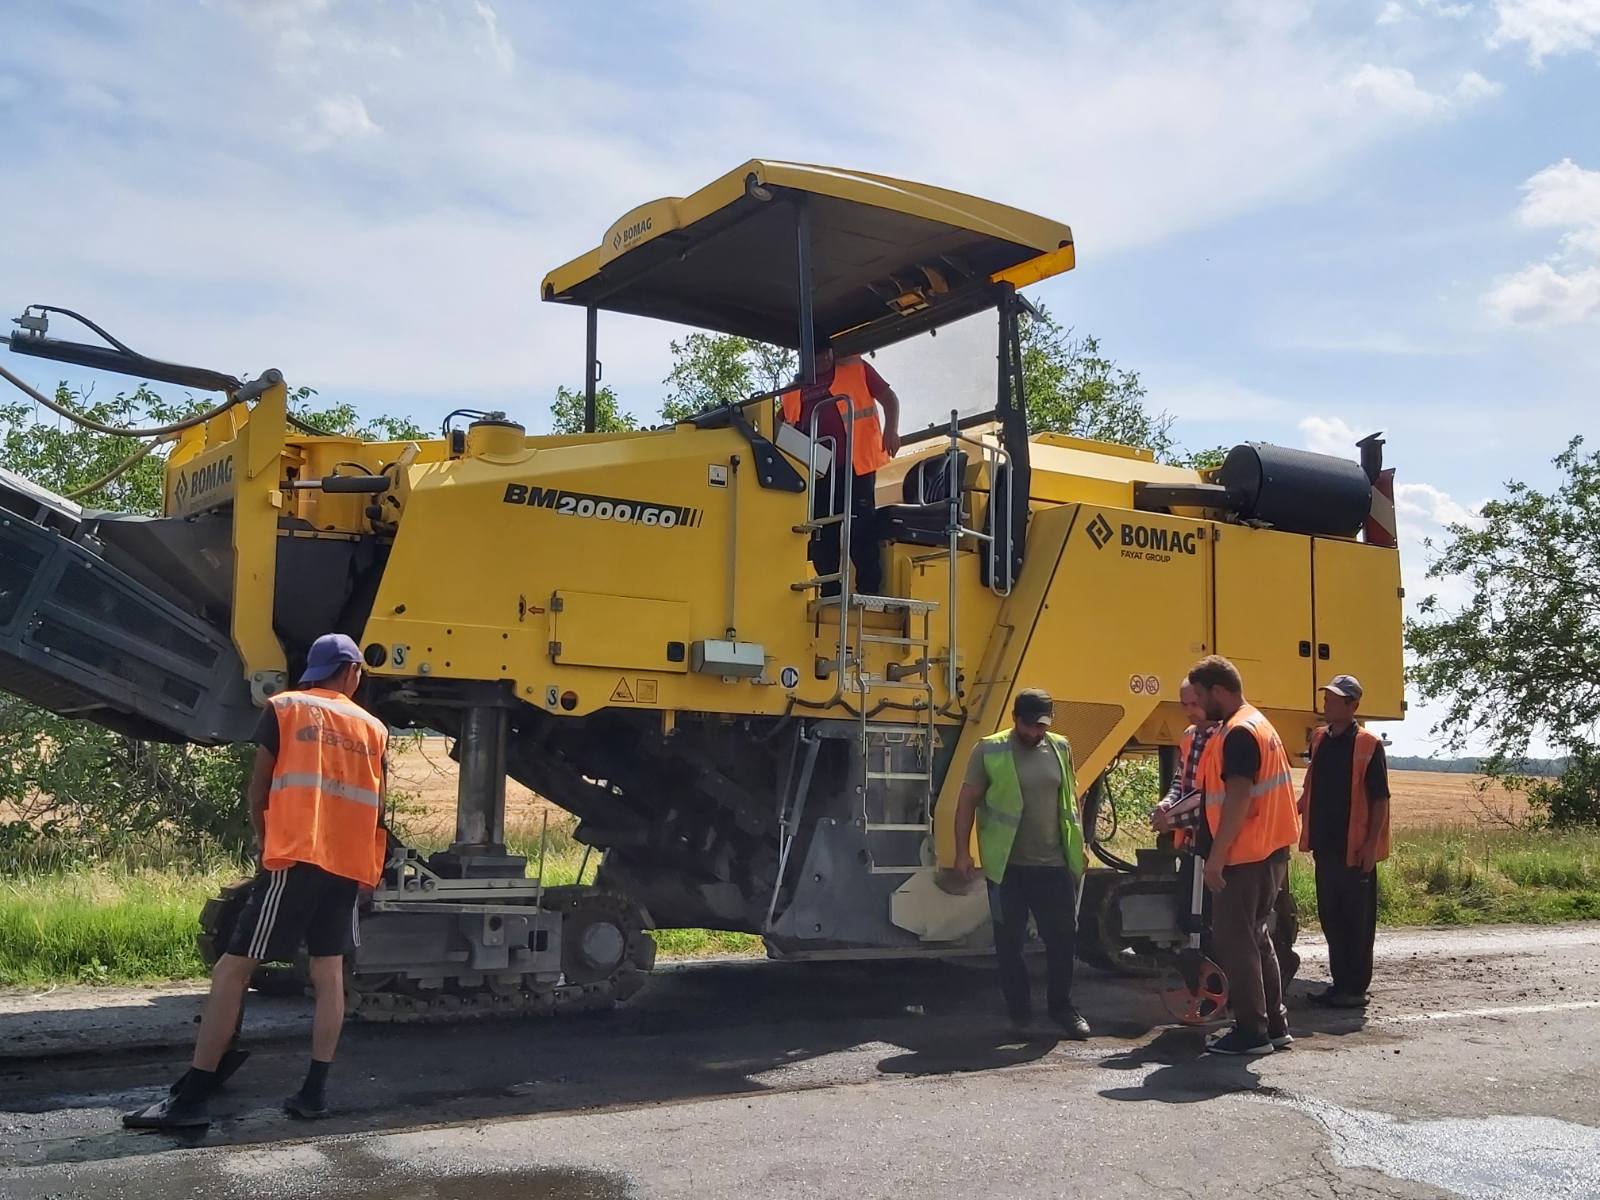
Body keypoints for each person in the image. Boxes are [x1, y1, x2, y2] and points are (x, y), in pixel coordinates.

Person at [124, 633, 389, 1131]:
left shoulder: (285, 708)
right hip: (346, 866)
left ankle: (192, 1101)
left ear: (315, 670)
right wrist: (367, 871)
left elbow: (260, 785)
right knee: (328, 976)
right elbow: (377, 808)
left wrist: (264, 842)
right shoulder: (374, 729)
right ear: (352, 672)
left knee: (231, 970)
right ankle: (313, 1095)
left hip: (294, 859)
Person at [952, 688, 1089, 1039]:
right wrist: (962, 851)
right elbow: (966, 801)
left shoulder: (1060, 747)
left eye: (1042, 726)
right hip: (1007, 867)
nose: (1036, 733)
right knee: (1009, 943)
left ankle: (1062, 1007)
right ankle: (1020, 1012)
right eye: (1029, 726)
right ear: (1016, 719)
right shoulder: (989, 748)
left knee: (1062, 939)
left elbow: (1071, 798)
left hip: (1053, 865)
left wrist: (1080, 844)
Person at [1189, 655, 1300, 1056]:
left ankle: (1252, 1031)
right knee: (1256, 937)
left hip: (1244, 856)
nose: (1199, 705)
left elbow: (1237, 798)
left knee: (1236, 942)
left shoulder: (1238, 732)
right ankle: (1275, 1024)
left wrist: (1215, 859)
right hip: (1268, 852)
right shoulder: (1258, 724)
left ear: (1219, 690)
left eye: (1201, 696)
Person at [779, 333, 902, 596]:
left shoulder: (857, 370)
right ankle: (830, 590)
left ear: (830, 354)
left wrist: (891, 430)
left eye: (823, 355)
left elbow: (889, 399)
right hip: (819, 473)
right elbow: (780, 426)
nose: (821, 360)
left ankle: (869, 591)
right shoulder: (791, 392)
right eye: (812, 357)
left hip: (856, 467)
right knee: (824, 532)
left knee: (861, 528)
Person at [1299, 674, 1389, 1009]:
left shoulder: (1369, 745)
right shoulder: (1320, 739)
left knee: (1356, 921)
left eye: (1335, 698)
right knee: (1331, 917)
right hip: (1325, 846)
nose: (1327, 702)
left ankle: (1354, 989)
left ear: (1353, 706)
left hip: (1354, 849)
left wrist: (1370, 846)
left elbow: (1380, 800)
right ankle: (1340, 984)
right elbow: (1312, 786)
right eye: (1327, 696)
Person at [1151, 678, 1220, 842]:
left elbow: (1212, 801)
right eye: (1184, 705)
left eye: (1194, 704)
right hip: (1191, 841)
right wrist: (1165, 805)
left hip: (1215, 841)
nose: (1189, 711)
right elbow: (1180, 781)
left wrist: (1171, 820)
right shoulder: (1189, 735)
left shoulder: (1224, 738)